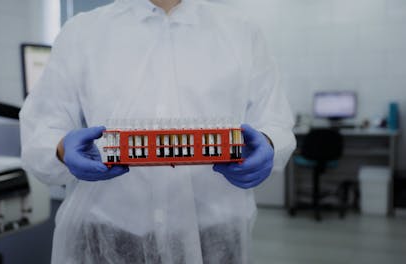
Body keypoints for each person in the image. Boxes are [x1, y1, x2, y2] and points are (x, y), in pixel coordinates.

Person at [19, 0, 296, 263]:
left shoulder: (241, 32)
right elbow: (41, 128)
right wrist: (61, 148)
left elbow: (275, 121)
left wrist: (269, 144)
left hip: (215, 239)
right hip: (106, 238)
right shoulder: (83, 33)